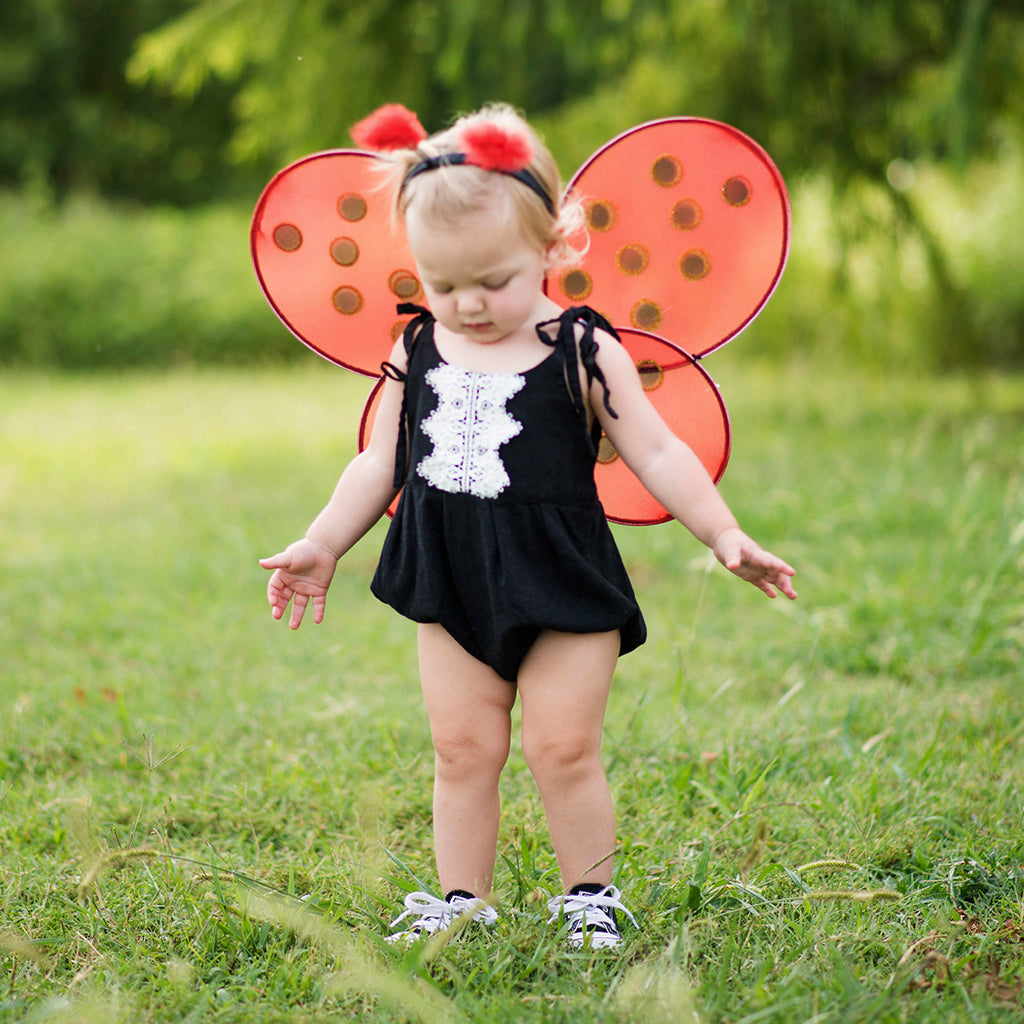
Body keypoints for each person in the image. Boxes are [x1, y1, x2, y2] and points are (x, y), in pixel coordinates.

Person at [259, 102, 797, 949]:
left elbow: (657, 451)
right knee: (462, 749)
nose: (467, 304)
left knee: (561, 748)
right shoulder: (418, 350)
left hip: (561, 578)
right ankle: (461, 900)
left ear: (551, 250)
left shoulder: (582, 348)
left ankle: (589, 896)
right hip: (449, 571)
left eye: (493, 281)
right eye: (444, 285)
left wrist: (722, 533)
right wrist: (324, 542)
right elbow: (378, 461)